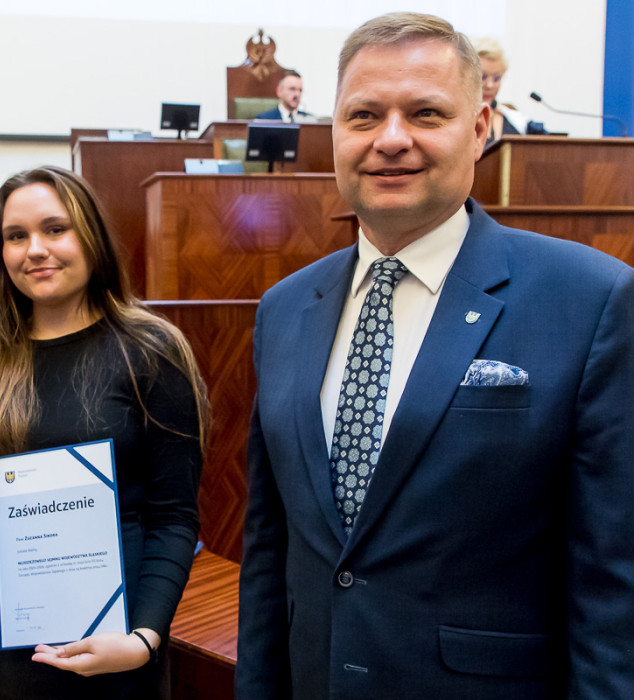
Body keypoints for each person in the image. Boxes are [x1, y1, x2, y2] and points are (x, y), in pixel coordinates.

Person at [237, 11, 634, 700]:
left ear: (480, 128)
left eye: (425, 113)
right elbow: (271, 553)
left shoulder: (591, 299)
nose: (391, 139)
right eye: (363, 116)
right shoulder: (284, 309)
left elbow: (614, 579)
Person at [0, 165, 210, 699]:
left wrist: (143, 639)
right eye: (16, 236)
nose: (35, 249)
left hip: (113, 650)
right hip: (1, 654)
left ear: (91, 238)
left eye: (55, 229)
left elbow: (175, 516)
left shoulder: (150, 351)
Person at [475, 37, 546, 144]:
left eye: (496, 78)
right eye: (483, 77)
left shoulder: (516, 120)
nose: (490, 85)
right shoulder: (455, 120)